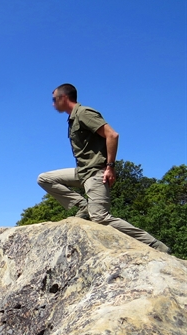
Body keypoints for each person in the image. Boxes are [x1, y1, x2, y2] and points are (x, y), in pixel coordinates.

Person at [37, 83, 170, 254]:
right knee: (45, 178)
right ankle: (81, 205)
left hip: (96, 172)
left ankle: (154, 245)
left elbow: (112, 135)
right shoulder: (72, 119)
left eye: (54, 99)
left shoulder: (84, 113)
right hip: (83, 172)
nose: (52, 103)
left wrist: (110, 167)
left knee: (99, 217)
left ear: (64, 98)